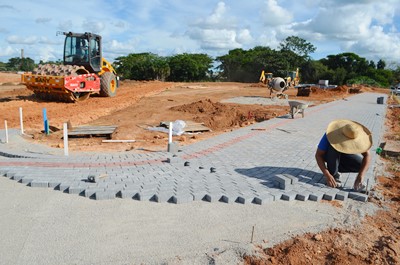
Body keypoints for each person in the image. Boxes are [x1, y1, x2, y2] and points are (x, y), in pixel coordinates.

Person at [315, 119, 372, 191]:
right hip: (329, 155)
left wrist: (360, 176)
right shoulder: (330, 135)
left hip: (343, 154)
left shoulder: (358, 137)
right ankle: (334, 174)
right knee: (333, 148)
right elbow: (318, 155)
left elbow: (367, 155)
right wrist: (327, 175)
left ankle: (336, 168)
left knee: (362, 166)